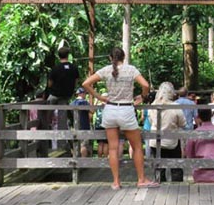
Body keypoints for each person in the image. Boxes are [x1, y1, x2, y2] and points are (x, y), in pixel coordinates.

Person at [81, 48, 158, 190]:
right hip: (126, 109)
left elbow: (85, 83)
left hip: (110, 110)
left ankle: (116, 182)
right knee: (136, 147)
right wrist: (143, 96)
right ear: (124, 56)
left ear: (111, 58)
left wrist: (100, 97)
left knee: (113, 148)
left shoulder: (105, 70)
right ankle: (141, 179)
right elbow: (146, 85)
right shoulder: (131, 69)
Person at [44, 47, 80, 154]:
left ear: (58, 56)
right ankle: (62, 141)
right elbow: (77, 81)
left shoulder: (55, 68)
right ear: (68, 55)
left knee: (46, 112)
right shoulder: (73, 68)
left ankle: (46, 125)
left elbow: (49, 83)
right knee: (62, 118)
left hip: (55, 95)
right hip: (66, 96)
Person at [148, 81, 186, 182]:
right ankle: (177, 184)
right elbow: (183, 123)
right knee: (176, 165)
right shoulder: (175, 106)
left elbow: (151, 121)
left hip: (156, 141)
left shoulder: (152, 106)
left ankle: (159, 182)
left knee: (159, 166)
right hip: (171, 141)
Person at [185, 108, 214, 183]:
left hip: (200, 174)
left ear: (198, 116)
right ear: (211, 115)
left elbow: (189, 153)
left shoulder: (195, 133)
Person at [72, 87, 93, 157]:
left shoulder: (72, 103)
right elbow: (92, 111)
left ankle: (77, 160)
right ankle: (83, 162)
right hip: (84, 126)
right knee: (84, 145)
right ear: (82, 94)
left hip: (75, 126)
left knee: (76, 144)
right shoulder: (84, 102)